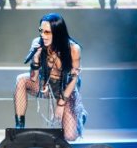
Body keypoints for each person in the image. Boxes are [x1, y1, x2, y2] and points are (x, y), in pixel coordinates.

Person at [13, 13, 87, 141]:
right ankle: (19, 127)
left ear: (57, 33)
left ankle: (80, 117)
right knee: (21, 80)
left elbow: (74, 79)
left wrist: (61, 104)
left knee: (70, 136)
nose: (43, 35)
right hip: (45, 85)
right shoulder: (38, 43)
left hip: (65, 89)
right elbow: (33, 78)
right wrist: (35, 59)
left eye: (47, 32)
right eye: (41, 31)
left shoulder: (73, 49)